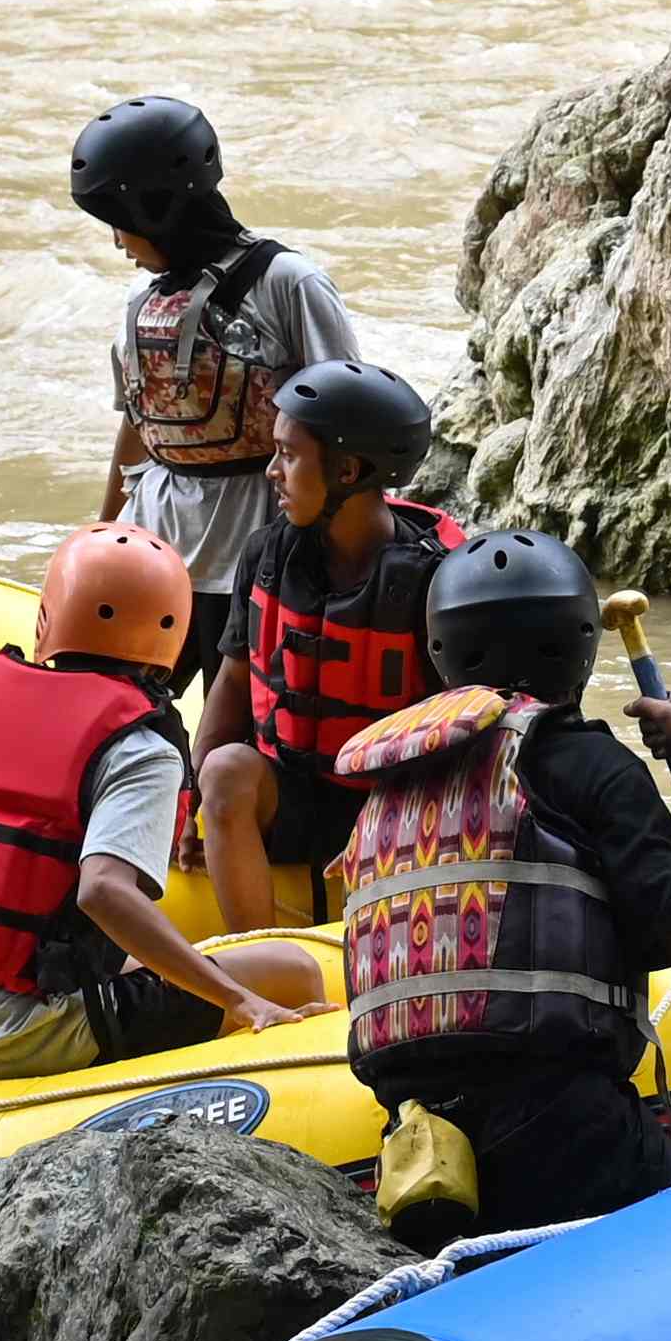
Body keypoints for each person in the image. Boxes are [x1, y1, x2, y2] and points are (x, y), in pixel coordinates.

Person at [337, 531, 671, 1242]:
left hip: (422, 1151)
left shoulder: (389, 788)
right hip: (564, 1133)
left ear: (441, 648)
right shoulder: (585, 761)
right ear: (581, 642)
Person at [0, 523, 341, 1081]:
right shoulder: (140, 746)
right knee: (289, 972)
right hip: (17, 1032)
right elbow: (102, 890)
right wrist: (241, 1001)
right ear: (171, 632)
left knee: (140, 961)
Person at [75, 96, 360, 704]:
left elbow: (345, 413)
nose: (119, 243)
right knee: (109, 706)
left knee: (241, 720)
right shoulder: (143, 306)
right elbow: (138, 425)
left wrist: (341, 548)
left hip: (254, 543)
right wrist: (102, 531)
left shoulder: (287, 284)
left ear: (157, 206)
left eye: (119, 223)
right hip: (157, 545)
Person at [193, 358, 461, 933]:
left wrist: (387, 831)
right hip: (288, 795)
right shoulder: (267, 555)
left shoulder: (437, 584)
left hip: (395, 813)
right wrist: (188, 800)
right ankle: (256, 956)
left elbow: (463, 738)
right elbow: (234, 680)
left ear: (348, 470)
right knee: (223, 772)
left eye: (289, 455)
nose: (272, 471)